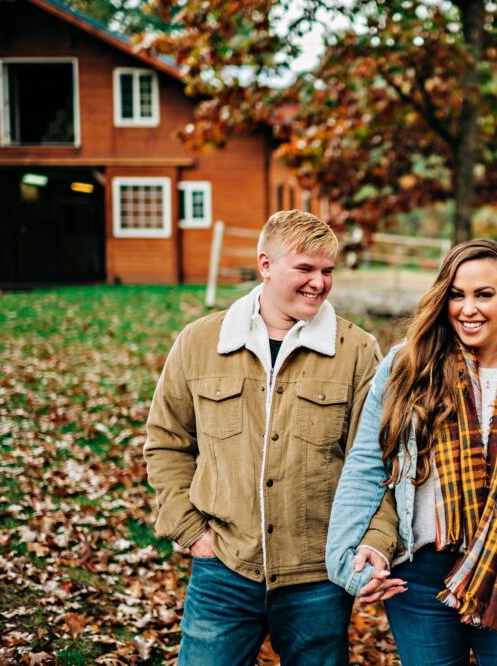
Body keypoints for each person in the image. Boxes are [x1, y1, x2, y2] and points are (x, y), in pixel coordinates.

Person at [144, 210, 402, 666]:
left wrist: (375, 540)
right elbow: (167, 441)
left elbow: (383, 460)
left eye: (327, 271)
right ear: (265, 264)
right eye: (304, 268)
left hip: (318, 576)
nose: (318, 283)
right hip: (223, 568)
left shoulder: (357, 351)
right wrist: (190, 530)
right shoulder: (200, 342)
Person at [326, 239, 497, 666]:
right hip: (418, 578)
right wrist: (344, 563)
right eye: (457, 295)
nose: (468, 309)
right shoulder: (407, 367)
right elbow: (365, 466)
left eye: (484, 294)